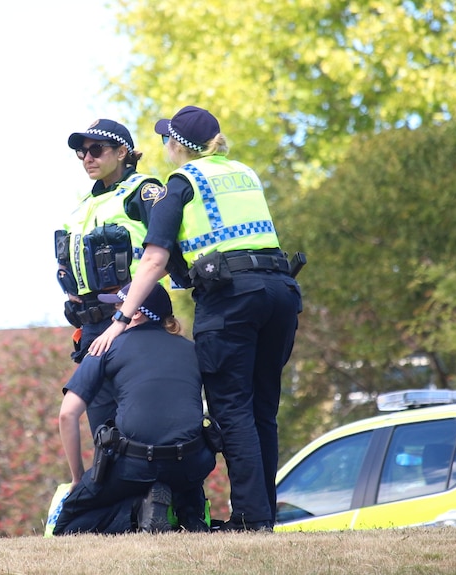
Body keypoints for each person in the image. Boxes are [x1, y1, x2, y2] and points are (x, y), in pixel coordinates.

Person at [88, 105, 303, 532]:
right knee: (263, 409)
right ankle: (265, 514)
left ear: (176, 145)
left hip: (231, 300)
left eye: (167, 137)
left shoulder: (181, 183)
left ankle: (250, 518)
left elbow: (154, 258)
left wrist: (121, 317)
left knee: (231, 408)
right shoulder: (244, 173)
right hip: (280, 291)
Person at [52, 282, 216, 535]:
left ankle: (138, 509)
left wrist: (78, 478)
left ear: (135, 312)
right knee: (180, 473)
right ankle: (188, 513)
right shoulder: (192, 348)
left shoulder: (104, 346)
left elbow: (67, 414)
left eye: (118, 307)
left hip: (136, 464)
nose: (114, 314)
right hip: (191, 462)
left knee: (69, 525)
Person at [55, 119, 164, 433]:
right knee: (104, 430)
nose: (87, 158)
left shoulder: (144, 191)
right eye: (81, 152)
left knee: (141, 421)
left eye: (96, 149)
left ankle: (156, 483)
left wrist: (139, 305)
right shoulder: (82, 207)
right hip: (91, 329)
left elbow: (170, 253)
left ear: (121, 152)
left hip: (132, 320)